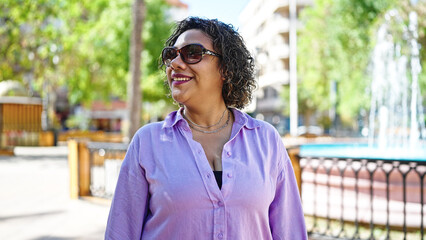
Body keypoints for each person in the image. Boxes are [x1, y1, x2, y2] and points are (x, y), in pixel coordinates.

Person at [105, 17, 307, 240]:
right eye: (171, 55)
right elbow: (121, 233)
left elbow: (290, 233)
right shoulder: (147, 142)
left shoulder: (266, 140)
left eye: (192, 53)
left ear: (226, 69)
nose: (175, 63)